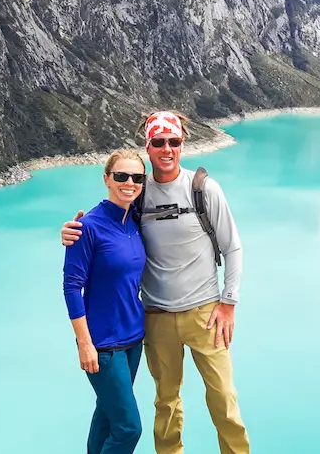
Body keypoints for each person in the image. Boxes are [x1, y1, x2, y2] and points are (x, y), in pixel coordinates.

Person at [61, 111, 250, 454]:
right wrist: (74, 229)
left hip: (205, 313)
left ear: (182, 145)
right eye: (159, 142)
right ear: (148, 147)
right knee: (166, 403)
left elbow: (232, 246)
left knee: (223, 399)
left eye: (174, 142)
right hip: (157, 318)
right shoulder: (139, 195)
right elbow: (107, 227)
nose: (167, 149)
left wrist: (228, 302)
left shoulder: (203, 189)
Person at [62, 149, 148, 454]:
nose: (130, 183)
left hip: (134, 340)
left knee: (106, 415)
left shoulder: (135, 221)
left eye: (137, 177)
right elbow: (72, 287)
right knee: (128, 428)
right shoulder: (87, 227)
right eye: (121, 176)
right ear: (107, 179)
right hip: (103, 345)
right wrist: (84, 343)